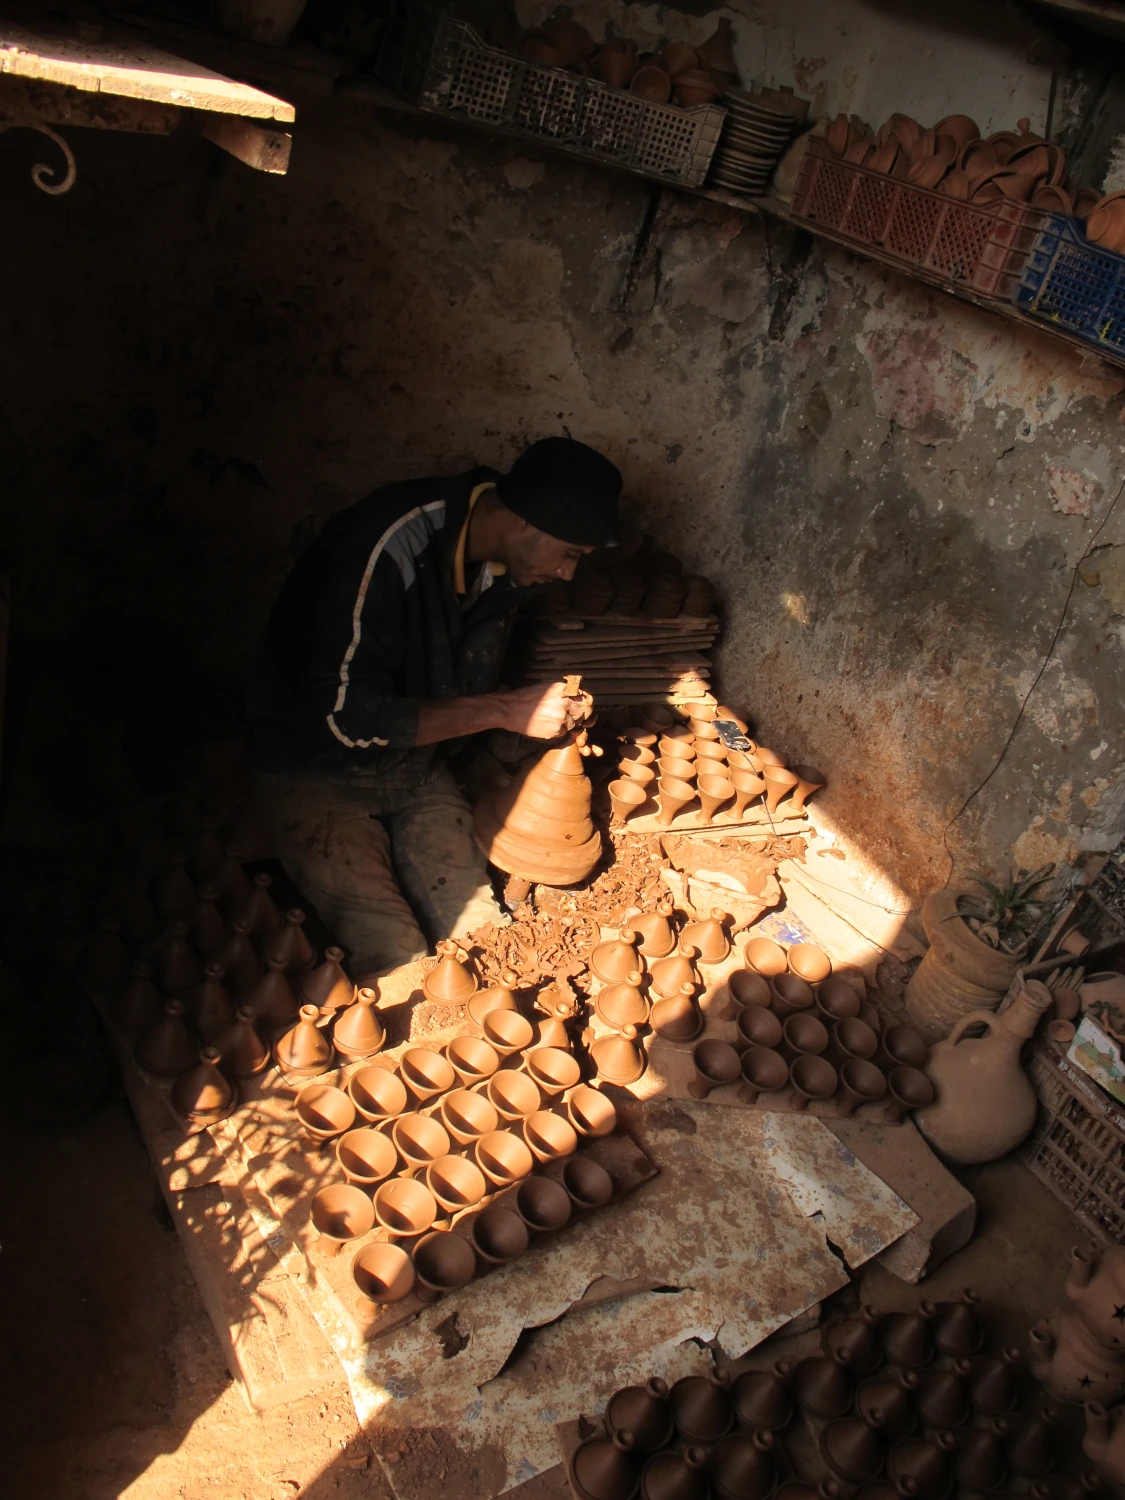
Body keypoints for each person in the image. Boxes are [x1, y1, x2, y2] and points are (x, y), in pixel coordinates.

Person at [245, 436, 622, 975]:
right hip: (315, 765)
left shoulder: (504, 567)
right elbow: (344, 717)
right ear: (526, 522)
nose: (568, 574)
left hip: (420, 766)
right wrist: (502, 710)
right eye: (571, 555)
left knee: (485, 943)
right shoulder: (384, 548)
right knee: (400, 958)